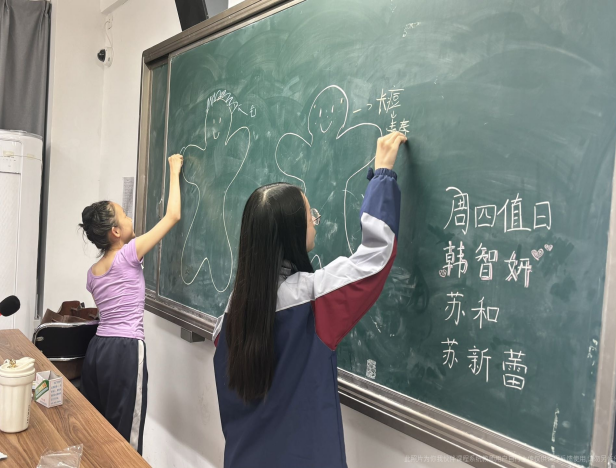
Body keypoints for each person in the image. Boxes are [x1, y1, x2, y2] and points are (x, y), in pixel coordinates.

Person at [212, 132, 407, 467]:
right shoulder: (314, 302)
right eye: (309, 215)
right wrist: (383, 176)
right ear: (291, 233)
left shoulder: (228, 319)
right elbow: (376, 256)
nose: (315, 221)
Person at [78, 154, 183, 454]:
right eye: (124, 215)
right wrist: (174, 170)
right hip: (125, 351)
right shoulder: (129, 253)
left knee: (98, 432)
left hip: (98, 350)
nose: (130, 219)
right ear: (115, 232)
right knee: (126, 440)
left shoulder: (93, 273)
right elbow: (173, 216)